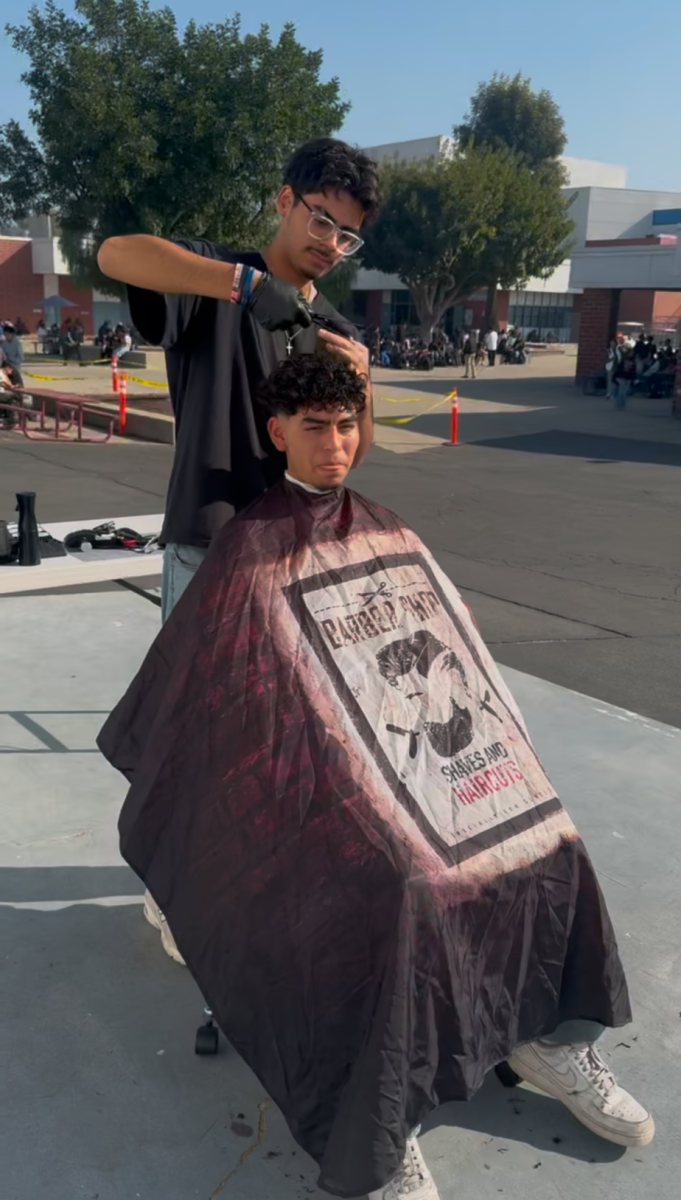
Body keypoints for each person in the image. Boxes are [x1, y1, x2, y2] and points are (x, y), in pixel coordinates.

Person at [99, 350, 654, 1200]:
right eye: (314, 427)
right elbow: (226, 709)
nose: (333, 444)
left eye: (348, 425)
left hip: (435, 756)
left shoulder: (391, 530)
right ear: (278, 430)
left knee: (553, 842)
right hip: (317, 791)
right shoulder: (247, 553)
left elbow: (461, 660)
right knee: (405, 885)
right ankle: (381, 1122)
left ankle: (546, 1035)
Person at [97, 135, 380, 958]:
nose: (329, 242)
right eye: (321, 219)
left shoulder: (333, 325)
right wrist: (240, 285)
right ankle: (170, 886)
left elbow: (349, 455)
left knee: (286, 738)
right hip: (211, 546)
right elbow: (115, 252)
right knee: (199, 735)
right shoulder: (211, 280)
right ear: (284, 198)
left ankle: (252, 878)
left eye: (347, 234)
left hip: (301, 561)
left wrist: (361, 387)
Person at [1, 322, 25, 387]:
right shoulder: (4, 343)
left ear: (12, 334)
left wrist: (12, 360)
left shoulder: (17, 343)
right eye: (5, 334)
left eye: (7, 334)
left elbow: (21, 357)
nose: (5, 336)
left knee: (16, 383)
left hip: (15, 367)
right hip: (6, 367)